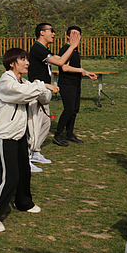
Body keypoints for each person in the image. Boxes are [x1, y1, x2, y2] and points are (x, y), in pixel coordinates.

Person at [0, 48, 58, 232]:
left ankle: (23, 202)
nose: (27, 63)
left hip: (21, 133)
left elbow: (45, 98)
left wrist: (42, 88)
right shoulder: (6, 81)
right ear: (12, 63)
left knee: (24, 171)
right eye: (22, 59)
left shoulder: (25, 82)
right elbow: (22, 94)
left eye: (27, 59)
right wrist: (43, 85)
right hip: (6, 135)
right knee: (9, 177)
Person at [28, 23, 80, 170]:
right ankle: (27, 156)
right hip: (37, 89)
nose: (54, 34)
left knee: (45, 123)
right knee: (35, 124)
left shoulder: (44, 49)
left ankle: (36, 151)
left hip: (44, 89)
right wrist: (72, 46)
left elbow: (59, 59)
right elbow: (60, 62)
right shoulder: (37, 48)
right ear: (42, 32)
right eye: (51, 30)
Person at [53, 26, 97, 147]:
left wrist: (87, 73)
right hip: (66, 83)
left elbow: (76, 68)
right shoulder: (66, 49)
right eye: (73, 34)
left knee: (74, 110)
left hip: (75, 83)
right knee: (69, 110)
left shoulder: (76, 50)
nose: (76, 37)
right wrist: (81, 70)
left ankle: (69, 134)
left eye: (78, 34)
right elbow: (64, 67)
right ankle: (58, 135)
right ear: (68, 36)